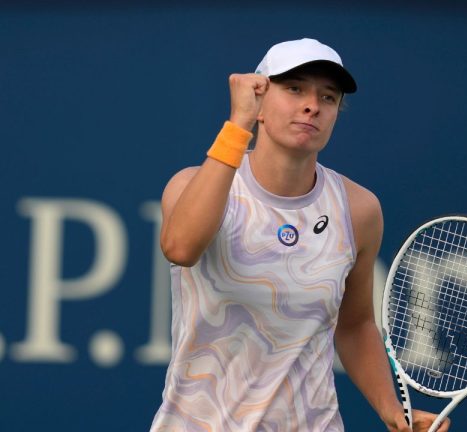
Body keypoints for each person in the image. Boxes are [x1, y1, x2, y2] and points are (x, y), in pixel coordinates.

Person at [150, 38, 450, 432]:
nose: (312, 105)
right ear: (258, 99)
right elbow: (181, 248)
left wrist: (392, 410)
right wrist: (237, 124)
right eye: (294, 89)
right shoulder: (192, 185)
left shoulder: (359, 210)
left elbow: (355, 323)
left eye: (328, 97)